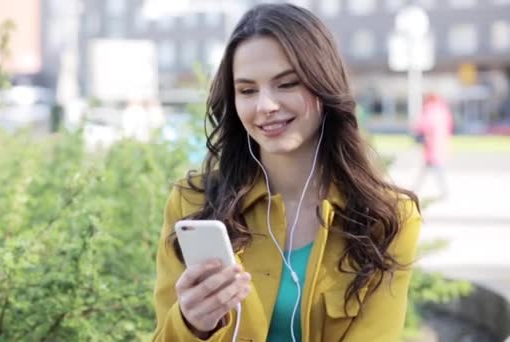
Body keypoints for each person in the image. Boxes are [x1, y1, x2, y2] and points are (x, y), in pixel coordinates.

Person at [152, 4, 422, 342]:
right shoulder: (192, 203)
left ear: (324, 84)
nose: (265, 105)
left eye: (287, 84)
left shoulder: (388, 217)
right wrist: (192, 325)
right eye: (248, 90)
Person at [413, 93, 453, 199]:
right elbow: (449, 127)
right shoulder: (443, 111)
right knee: (432, 167)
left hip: (431, 144)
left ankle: (417, 189)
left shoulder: (428, 111)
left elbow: (420, 126)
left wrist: (419, 134)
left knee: (434, 168)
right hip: (440, 144)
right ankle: (417, 188)